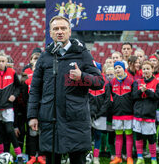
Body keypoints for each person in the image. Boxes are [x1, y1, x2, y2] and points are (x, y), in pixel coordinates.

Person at [27, 16, 104, 164]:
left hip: (76, 119)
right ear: (50, 33)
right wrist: (32, 116)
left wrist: (82, 77)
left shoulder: (82, 54)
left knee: (77, 159)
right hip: (50, 119)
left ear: (69, 31)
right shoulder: (44, 57)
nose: (60, 32)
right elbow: (35, 89)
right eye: (56, 29)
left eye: (63, 28)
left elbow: (99, 82)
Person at [0, 52, 23, 163]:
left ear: (6, 62)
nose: (1, 63)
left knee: (9, 131)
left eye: (3, 61)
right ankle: (0, 156)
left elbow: (18, 87)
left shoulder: (12, 72)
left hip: (8, 107)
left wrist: (14, 95)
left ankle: (20, 155)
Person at [132, 61, 159, 164]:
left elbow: (158, 96)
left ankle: (153, 158)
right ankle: (140, 157)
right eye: (144, 69)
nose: (146, 71)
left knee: (151, 137)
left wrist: (147, 91)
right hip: (138, 114)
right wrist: (140, 91)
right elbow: (133, 96)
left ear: (152, 70)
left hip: (149, 114)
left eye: (148, 69)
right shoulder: (137, 82)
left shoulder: (157, 82)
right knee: (138, 136)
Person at [107, 61, 134, 164]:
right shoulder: (111, 82)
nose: (117, 69)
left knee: (128, 135)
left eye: (119, 67)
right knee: (118, 135)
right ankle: (118, 157)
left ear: (124, 68)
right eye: (116, 68)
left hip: (128, 114)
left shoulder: (131, 81)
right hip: (117, 114)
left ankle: (129, 157)